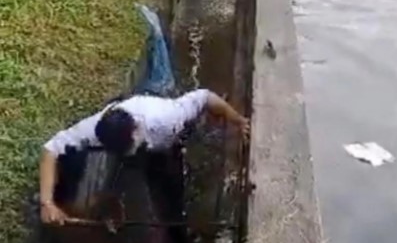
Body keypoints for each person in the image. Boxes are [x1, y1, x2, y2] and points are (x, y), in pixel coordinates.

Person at [40, 89, 250, 225]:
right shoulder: (95, 130)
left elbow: (205, 97)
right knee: (73, 159)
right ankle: (108, 204)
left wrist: (238, 120)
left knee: (169, 194)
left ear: (136, 131)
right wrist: (47, 203)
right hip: (136, 140)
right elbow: (51, 148)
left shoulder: (168, 117)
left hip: (163, 142)